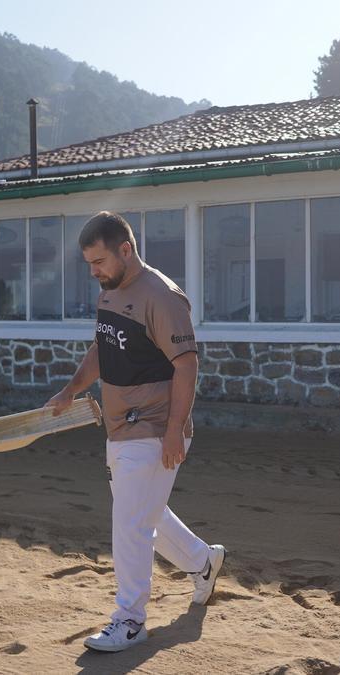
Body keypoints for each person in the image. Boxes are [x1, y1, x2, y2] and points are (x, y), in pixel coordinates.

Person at [46, 211, 225, 652]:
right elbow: (102, 347)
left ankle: (129, 619)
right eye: (89, 263)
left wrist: (174, 430)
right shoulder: (110, 291)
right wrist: (71, 389)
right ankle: (204, 562)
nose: (94, 272)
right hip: (119, 428)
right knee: (146, 512)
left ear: (126, 250)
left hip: (155, 427)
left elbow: (187, 365)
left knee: (129, 523)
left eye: (100, 261)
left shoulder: (162, 297)